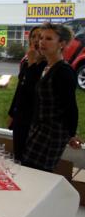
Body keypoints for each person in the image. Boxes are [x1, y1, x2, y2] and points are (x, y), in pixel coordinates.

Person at [22, 23, 79, 172]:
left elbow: (70, 106)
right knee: (28, 170)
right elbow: (29, 91)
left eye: (48, 38)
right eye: (41, 38)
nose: (42, 42)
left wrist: (72, 134)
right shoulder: (46, 68)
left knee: (37, 174)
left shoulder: (63, 72)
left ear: (62, 44)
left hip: (51, 134)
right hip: (38, 130)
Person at [7, 26, 47, 161]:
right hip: (21, 115)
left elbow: (32, 89)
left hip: (35, 117)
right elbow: (20, 89)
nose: (36, 40)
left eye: (40, 37)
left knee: (29, 158)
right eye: (33, 36)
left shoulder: (46, 66)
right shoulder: (26, 63)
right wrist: (12, 113)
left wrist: (32, 63)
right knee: (18, 154)